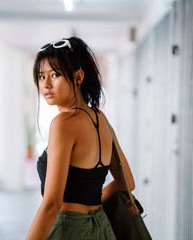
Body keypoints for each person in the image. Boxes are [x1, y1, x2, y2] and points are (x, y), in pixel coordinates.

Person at [26, 37, 135, 240]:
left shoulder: (63, 123)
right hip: (102, 227)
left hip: (68, 229)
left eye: (55, 75)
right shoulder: (101, 119)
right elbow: (126, 182)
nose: (46, 84)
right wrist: (88, 203)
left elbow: (51, 204)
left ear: (78, 77)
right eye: (41, 76)